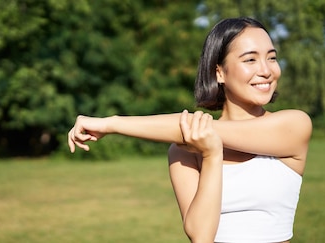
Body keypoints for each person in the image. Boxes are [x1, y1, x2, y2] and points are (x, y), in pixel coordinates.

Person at [67, 17, 312, 243]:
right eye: (250, 59)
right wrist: (212, 155)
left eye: (271, 57)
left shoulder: (294, 125)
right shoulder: (183, 151)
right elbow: (201, 236)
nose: (267, 70)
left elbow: (199, 129)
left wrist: (111, 124)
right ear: (219, 72)